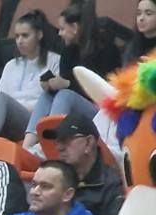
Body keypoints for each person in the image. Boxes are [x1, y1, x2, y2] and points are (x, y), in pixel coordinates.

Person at [26, 3, 121, 147]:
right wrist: (51, 85)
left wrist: (67, 84)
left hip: (100, 112)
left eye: (63, 29)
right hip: (74, 107)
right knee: (47, 96)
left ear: (75, 28)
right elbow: (65, 82)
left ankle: (53, 143)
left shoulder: (107, 50)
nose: (59, 33)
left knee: (65, 95)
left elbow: (102, 89)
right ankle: (28, 145)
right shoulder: (68, 52)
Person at [0, 11, 61, 143]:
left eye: (25, 36)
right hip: (6, 118)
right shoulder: (11, 65)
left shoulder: (55, 61)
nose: (20, 41)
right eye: (17, 36)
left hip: (32, 121)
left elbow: (53, 100)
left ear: (39, 35)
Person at [45, 112, 125, 215]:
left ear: (88, 143)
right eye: (57, 141)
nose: (59, 147)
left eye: (66, 140)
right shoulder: (55, 180)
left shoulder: (111, 185)